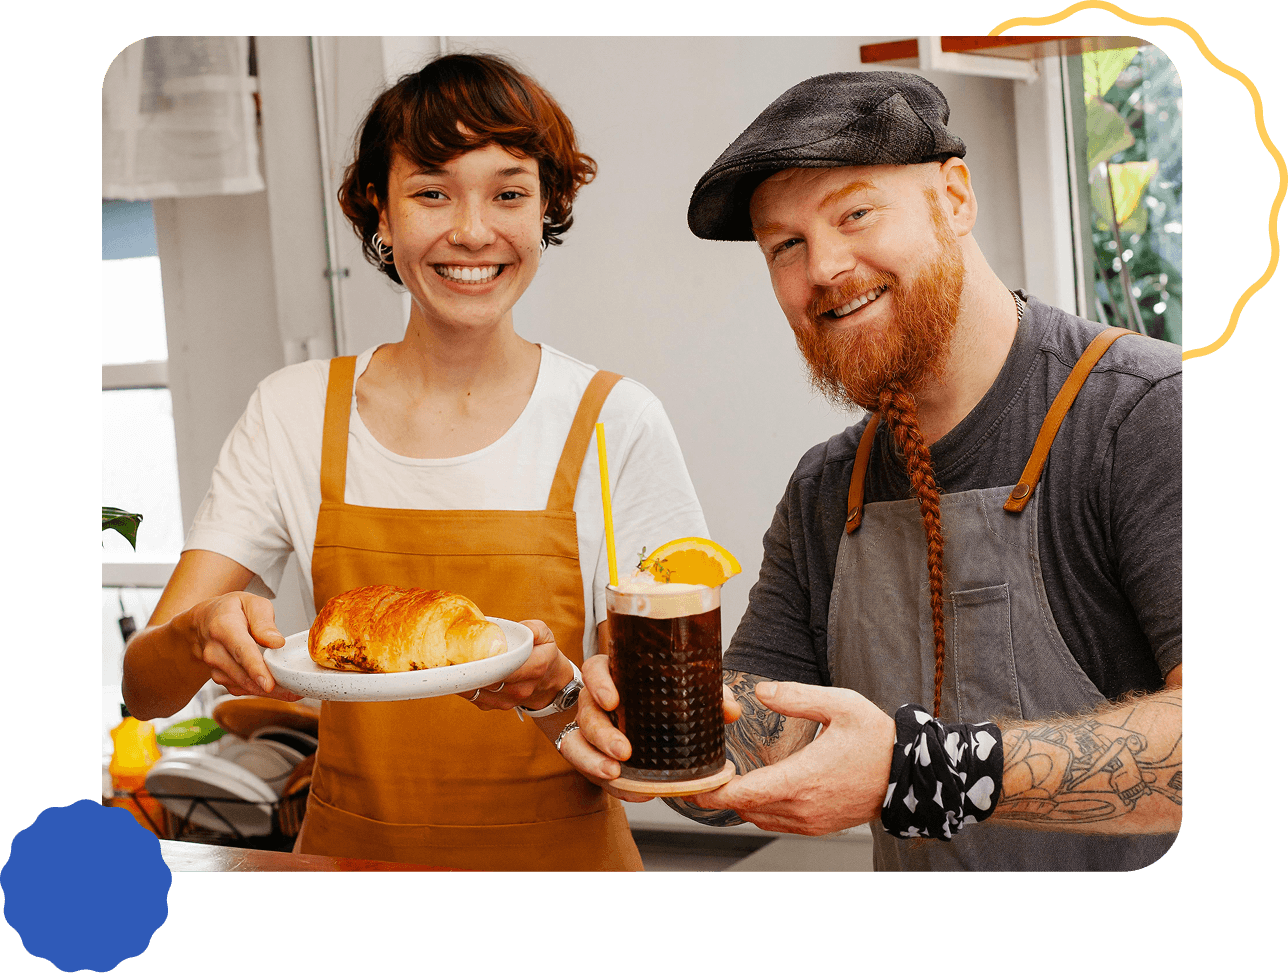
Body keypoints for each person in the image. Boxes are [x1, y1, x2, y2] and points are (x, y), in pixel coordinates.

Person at [564, 71, 1182, 870]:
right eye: (785, 245)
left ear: (954, 197)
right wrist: (629, 714)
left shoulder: (1145, 414)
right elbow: (749, 744)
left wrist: (920, 768)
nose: (823, 267)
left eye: (855, 213)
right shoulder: (828, 489)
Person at [121, 53, 708, 871]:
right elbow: (144, 689)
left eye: (509, 193)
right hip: (347, 878)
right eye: (432, 192)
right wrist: (196, 634)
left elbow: (657, 757)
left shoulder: (616, 420)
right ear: (381, 212)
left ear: (547, 208)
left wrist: (560, 690)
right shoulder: (293, 412)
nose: (472, 230)